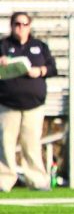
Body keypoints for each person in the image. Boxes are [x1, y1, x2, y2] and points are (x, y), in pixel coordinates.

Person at [0, 12, 57, 192]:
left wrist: (39, 71)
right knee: (5, 144)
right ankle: (4, 181)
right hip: (8, 104)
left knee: (31, 144)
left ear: (30, 26)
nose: (21, 27)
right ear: (12, 26)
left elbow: (52, 68)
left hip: (34, 105)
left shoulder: (39, 46)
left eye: (24, 24)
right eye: (17, 24)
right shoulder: (3, 45)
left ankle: (37, 180)